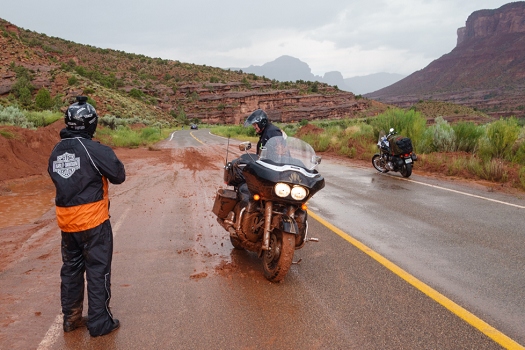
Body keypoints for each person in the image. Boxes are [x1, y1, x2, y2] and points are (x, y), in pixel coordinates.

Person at [48, 96, 125, 337]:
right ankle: (99, 323)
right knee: (97, 269)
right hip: (93, 223)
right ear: (91, 124)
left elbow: (57, 177)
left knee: (70, 269)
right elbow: (119, 175)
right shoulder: (93, 149)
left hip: (66, 223)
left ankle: (71, 319)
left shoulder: (56, 151)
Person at [227, 109, 283, 187]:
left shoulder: (272, 132)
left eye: (255, 124)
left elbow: (280, 152)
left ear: (261, 122)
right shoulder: (265, 132)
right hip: (266, 167)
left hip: (273, 170)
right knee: (238, 164)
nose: (254, 127)